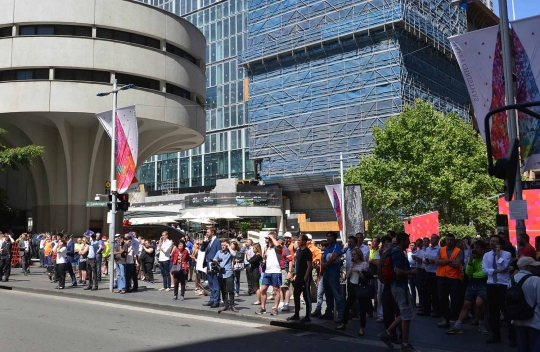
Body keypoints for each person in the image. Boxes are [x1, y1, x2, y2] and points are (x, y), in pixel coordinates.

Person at [379, 232, 419, 352]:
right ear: (402, 241)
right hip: (399, 287)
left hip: (397, 286)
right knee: (406, 316)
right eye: (407, 240)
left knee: (406, 313)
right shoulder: (399, 254)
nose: (409, 242)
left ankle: (387, 333)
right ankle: (405, 344)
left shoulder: (394, 252)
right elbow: (399, 271)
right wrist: (411, 272)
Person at [446, 240, 489, 335]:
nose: (474, 250)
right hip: (472, 283)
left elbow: (484, 274)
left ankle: (481, 323)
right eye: (474, 248)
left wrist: (475, 274)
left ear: (482, 249)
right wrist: (470, 261)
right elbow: (468, 272)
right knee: (466, 305)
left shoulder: (486, 259)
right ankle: (458, 325)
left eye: (477, 248)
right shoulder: (472, 258)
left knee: (478, 304)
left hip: (482, 284)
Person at [482, 234, 512, 344]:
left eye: (494, 241)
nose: (492, 243)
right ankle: (495, 335)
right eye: (491, 241)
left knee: (507, 311)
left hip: (503, 285)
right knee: (492, 312)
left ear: (500, 244)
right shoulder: (486, 255)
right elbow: (484, 269)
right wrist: (494, 271)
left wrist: (499, 255)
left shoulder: (507, 254)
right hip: (492, 285)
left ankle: (512, 337)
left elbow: (503, 267)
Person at [336, 248, 373, 336]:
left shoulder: (364, 264)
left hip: (360, 287)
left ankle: (362, 328)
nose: (353, 256)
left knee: (362, 308)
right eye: (352, 255)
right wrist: (352, 267)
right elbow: (347, 276)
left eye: (355, 254)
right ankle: (343, 323)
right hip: (352, 286)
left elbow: (366, 277)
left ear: (359, 255)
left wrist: (358, 272)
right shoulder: (353, 264)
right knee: (347, 306)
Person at [434, 233, 464, 328]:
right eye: (448, 239)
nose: (449, 241)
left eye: (451, 239)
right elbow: (437, 262)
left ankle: (454, 319)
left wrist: (443, 262)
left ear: (454, 240)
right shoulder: (441, 249)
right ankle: (445, 319)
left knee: (455, 300)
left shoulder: (458, 251)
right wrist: (450, 261)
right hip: (442, 277)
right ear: (445, 240)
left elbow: (457, 264)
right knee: (442, 299)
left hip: (454, 278)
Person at [512, 257, 540, 352]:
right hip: (534, 319)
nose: (536, 268)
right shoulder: (536, 280)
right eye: (534, 266)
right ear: (528, 267)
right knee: (535, 346)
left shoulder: (512, 280)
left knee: (522, 346)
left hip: (517, 318)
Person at [287, 234, 313, 323]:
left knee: (306, 296)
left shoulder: (307, 251)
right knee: (296, 295)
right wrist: (295, 275)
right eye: (297, 240)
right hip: (298, 277)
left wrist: (306, 277)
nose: (298, 241)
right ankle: (296, 315)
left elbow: (309, 266)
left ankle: (308, 316)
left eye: (299, 240)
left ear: (304, 241)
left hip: (304, 277)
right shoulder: (298, 251)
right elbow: (297, 265)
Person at [256, 232, 283, 316]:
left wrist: (272, 237)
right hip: (267, 271)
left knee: (276, 290)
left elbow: (278, 246)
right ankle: (263, 307)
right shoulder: (268, 248)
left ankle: (275, 308)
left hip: (276, 271)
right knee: (263, 289)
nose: (267, 240)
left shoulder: (278, 247)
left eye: (268, 238)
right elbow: (266, 257)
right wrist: (264, 261)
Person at [320, 231, 344, 322]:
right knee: (328, 294)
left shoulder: (336, 246)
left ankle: (341, 314)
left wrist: (326, 264)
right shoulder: (327, 248)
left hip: (333, 273)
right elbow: (323, 258)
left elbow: (334, 257)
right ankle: (328, 313)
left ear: (334, 238)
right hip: (326, 273)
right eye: (327, 236)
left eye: (330, 236)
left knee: (336, 294)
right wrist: (323, 264)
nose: (328, 238)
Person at [419, 234, 441, 317]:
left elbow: (438, 260)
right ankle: (426, 310)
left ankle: (436, 310)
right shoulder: (428, 249)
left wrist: (432, 260)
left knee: (435, 293)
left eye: (434, 238)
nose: (432, 240)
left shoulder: (440, 249)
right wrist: (428, 261)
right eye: (431, 238)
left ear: (438, 240)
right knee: (426, 292)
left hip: (436, 273)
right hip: (427, 272)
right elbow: (424, 258)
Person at [201, 228, 222, 308]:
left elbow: (219, 252)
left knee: (215, 283)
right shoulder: (208, 241)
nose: (207, 233)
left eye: (208, 232)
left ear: (212, 232)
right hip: (208, 264)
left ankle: (216, 301)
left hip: (214, 265)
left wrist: (217, 263)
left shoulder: (217, 241)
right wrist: (204, 242)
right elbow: (202, 249)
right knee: (211, 283)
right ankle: (211, 299)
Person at [215, 240, 237, 312]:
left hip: (228, 273)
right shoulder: (219, 252)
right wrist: (216, 260)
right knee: (223, 290)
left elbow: (234, 254)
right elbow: (215, 259)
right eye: (222, 245)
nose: (223, 247)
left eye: (224, 245)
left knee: (230, 290)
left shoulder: (229, 252)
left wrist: (229, 247)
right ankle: (226, 305)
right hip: (221, 274)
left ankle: (232, 305)